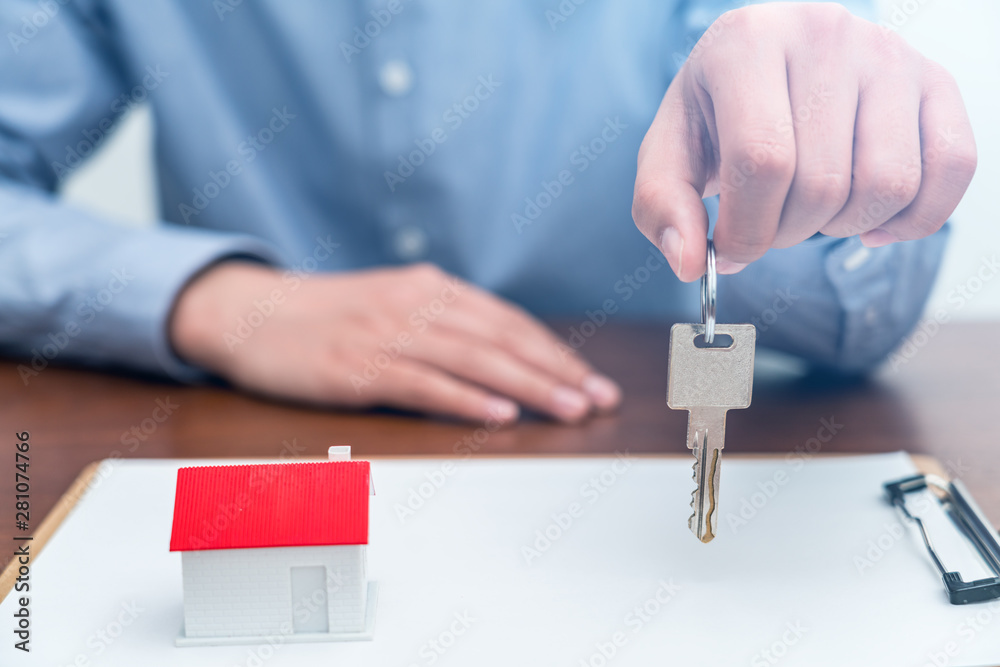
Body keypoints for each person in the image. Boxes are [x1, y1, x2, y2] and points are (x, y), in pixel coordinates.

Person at [0, 1, 975, 424]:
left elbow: (861, 308)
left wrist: (834, 157)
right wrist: (216, 302)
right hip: (248, 434)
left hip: (627, 437)